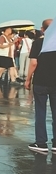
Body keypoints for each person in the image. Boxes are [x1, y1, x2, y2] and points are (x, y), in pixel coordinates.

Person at [26, 18, 55, 153]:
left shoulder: (38, 43)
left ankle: (41, 142)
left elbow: (33, 63)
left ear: (43, 30)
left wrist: (28, 79)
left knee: (40, 112)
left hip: (41, 81)